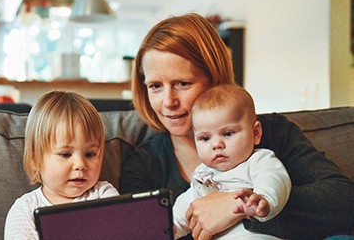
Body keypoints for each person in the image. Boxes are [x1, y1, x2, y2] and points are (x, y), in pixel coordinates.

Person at [119, 13, 354, 240]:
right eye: (156, 86)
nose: (169, 102)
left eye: (182, 83)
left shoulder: (272, 132)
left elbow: (345, 201)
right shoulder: (142, 165)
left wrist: (237, 205)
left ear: (215, 78)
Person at [173, 83, 291, 239]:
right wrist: (172, 226)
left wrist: (264, 200)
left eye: (228, 133)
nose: (216, 144)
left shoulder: (258, 160)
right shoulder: (202, 174)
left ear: (256, 133)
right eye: (205, 138)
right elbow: (188, 205)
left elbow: (274, 179)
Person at [4, 90, 119, 239]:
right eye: (65, 154)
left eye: (90, 154)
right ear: (35, 160)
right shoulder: (25, 210)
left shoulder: (104, 195)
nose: (80, 165)